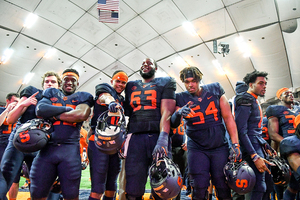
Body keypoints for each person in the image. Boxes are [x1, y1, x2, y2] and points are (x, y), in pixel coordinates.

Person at [170, 66, 241, 200]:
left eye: (194, 80)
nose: (190, 84)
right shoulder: (180, 98)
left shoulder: (215, 89)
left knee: (223, 186)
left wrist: (235, 144)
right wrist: (179, 112)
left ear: (199, 80)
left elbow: (228, 118)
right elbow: (173, 123)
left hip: (219, 146)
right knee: (198, 186)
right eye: (187, 81)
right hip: (197, 147)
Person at [31, 69, 93, 200]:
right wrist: (67, 109)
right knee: (37, 194)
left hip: (69, 151)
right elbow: (40, 110)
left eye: (73, 80)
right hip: (47, 150)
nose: (69, 82)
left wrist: (52, 115)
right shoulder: (51, 93)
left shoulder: (83, 96)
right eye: (66, 79)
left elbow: (80, 114)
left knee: (71, 196)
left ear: (78, 83)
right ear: (61, 82)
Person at [0, 71, 62, 200]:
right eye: (47, 81)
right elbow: (11, 119)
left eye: (53, 81)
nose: (49, 83)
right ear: (43, 84)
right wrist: (23, 104)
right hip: (19, 141)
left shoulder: (61, 100)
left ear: (58, 85)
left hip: (40, 146)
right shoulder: (33, 92)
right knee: (6, 176)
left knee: (41, 184)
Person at [124, 58, 176, 200]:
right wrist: (124, 138)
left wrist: (163, 138)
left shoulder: (165, 82)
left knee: (162, 188)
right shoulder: (130, 86)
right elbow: (126, 114)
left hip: (156, 136)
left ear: (156, 68)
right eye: (143, 63)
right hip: (136, 139)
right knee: (133, 190)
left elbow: (167, 112)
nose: (145, 65)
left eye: (149, 63)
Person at [88, 70, 128, 200]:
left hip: (114, 145)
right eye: (118, 81)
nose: (120, 84)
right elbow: (104, 96)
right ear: (112, 81)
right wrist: (111, 102)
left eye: (123, 82)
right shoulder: (105, 89)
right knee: (98, 187)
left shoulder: (122, 100)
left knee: (111, 186)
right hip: (99, 144)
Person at [234, 70, 274, 200]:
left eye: (265, 83)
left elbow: (254, 130)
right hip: (250, 147)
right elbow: (241, 130)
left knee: (265, 187)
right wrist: (254, 155)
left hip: (257, 144)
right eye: (261, 83)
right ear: (251, 84)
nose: (264, 86)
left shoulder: (253, 99)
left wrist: (265, 145)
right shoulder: (245, 99)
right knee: (256, 186)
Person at [266, 88, 300, 200]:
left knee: (294, 186)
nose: (290, 94)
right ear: (280, 98)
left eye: (291, 92)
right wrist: (286, 144)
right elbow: (273, 134)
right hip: (290, 147)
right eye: (286, 93)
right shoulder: (275, 109)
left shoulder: (298, 109)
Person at [0, 93, 19, 200]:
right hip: (2, 145)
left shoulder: (19, 112)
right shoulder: (1, 110)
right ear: (8, 101)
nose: (17, 103)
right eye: (15, 101)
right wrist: (6, 111)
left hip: (15, 147)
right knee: (3, 177)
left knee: (15, 179)